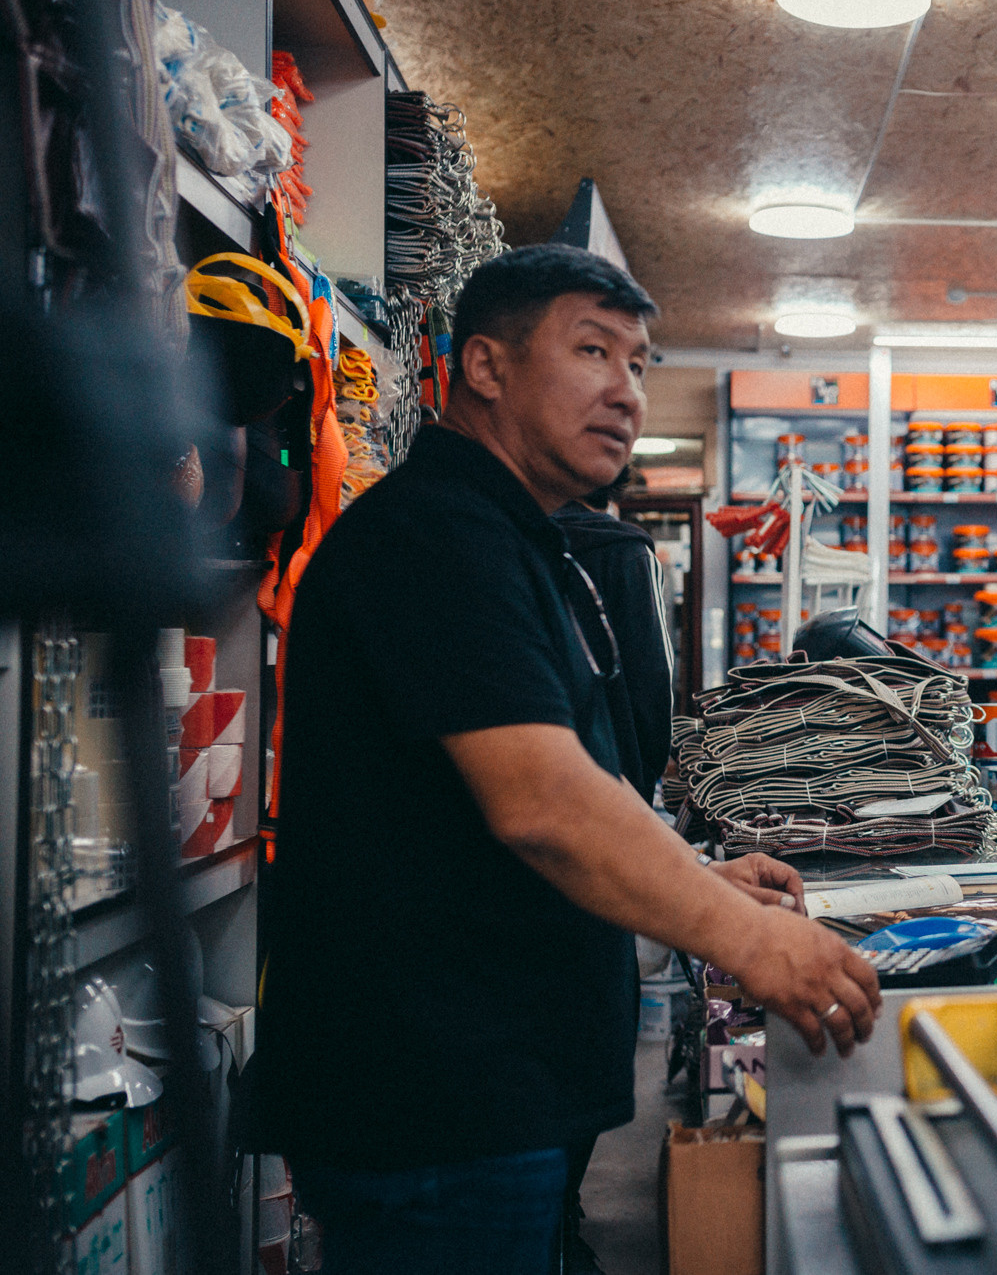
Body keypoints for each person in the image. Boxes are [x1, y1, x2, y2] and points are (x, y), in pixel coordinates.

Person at [259, 245, 880, 1275]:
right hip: (439, 1106)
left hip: (486, 1092)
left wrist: (692, 875)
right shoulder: (435, 535)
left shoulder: (518, 541)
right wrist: (746, 938)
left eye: (638, 363)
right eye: (591, 350)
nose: (625, 392)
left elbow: (571, 779)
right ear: (484, 367)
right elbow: (541, 805)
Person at [550, 467, 672, 1272]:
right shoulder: (624, 550)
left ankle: (555, 1221)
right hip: (601, 832)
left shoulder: (513, 542)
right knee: (587, 1025)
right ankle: (562, 1217)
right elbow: (648, 706)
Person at [555, 466, 674, 802]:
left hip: (541, 764)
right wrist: (648, 770)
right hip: (619, 773)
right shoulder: (631, 553)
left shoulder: (524, 540)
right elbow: (653, 676)